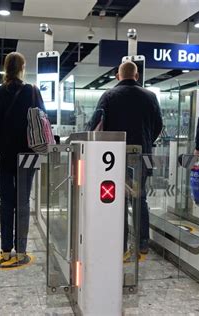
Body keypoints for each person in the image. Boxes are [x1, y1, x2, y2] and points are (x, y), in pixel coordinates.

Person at [87, 61, 163, 255]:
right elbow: (158, 126)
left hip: (114, 157)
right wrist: (146, 142)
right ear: (136, 76)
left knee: (118, 199)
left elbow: (95, 125)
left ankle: (120, 243)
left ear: (118, 76)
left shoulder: (109, 96)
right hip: (141, 156)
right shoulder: (151, 96)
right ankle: (142, 243)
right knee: (140, 198)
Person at [0, 52, 45, 262]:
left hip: (2, 157)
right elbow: (43, 122)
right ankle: (21, 249)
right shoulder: (33, 92)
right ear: (22, 68)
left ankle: (4, 248)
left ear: (5, 68)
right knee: (23, 202)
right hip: (27, 155)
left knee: (5, 202)